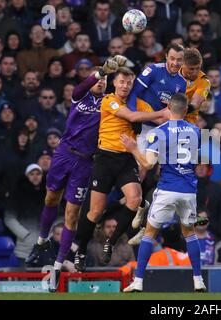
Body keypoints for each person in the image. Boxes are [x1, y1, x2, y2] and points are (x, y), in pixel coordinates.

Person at [25, 57, 121, 291]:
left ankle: (58, 266)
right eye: (98, 78)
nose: (101, 82)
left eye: (105, 78)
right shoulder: (80, 96)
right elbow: (78, 88)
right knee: (50, 199)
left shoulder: (111, 104)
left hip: (86, 162)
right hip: (64, 153)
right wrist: (99, 73)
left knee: (71, 214)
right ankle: (41, 241)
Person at [73, 66, 169, 276]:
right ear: (114, 83)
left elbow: (159, 119)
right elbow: (134, 117)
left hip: (126, 159)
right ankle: (80, 249)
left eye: (129, 82)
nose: (125, 86)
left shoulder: (138, 103)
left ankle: (111, 241)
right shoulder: (109, 100)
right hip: (105, 159)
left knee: (135, 199)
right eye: (121, 82)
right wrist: (162, 111)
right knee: (96, 211)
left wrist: (178, 114)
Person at [121, 93, 207, 293]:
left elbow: (149, 164)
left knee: (149, 233)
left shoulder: (159, 132)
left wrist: (134, 149)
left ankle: (139, 281)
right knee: (190, 234)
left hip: (167, 188)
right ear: (186, 110)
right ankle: (198, 280)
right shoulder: (195, 131)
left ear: (168, 107)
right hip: (188, 191)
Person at [4, 164, 46, 266]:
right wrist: (26, 235)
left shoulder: (49, 194)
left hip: (45, 250)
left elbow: (59, 217)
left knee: (47, 282)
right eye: (32, 174)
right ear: (27, 176)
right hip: (24, 250)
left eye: (38, 174)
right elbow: (9, 218)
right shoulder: (17, 194)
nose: (35, 176)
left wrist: (50, 235)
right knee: (25, 281)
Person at [180, 48, 211, 124]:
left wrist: (174, 109)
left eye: (198, 68)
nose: (195, 72)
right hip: (164, 117)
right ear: (182, 64)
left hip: (187, 121)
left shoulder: (204, 81)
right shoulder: (172, 74)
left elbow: (194, 104)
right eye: (191, 69)